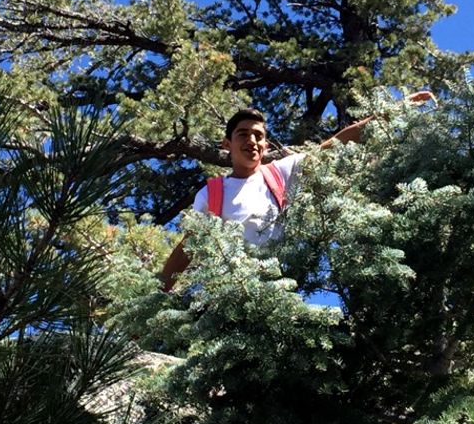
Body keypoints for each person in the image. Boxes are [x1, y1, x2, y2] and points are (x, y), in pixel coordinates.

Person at [159, 94, 432, 290]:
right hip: (224, 296)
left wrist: (397, 110)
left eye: (258, 136)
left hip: (278, 291)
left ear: (265, 146)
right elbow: (189, 248)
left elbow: (337, 143)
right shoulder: (212, 193)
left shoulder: (280, 173)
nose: (252, 141)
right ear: (227, 144)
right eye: (243, 134)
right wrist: (159, 296)